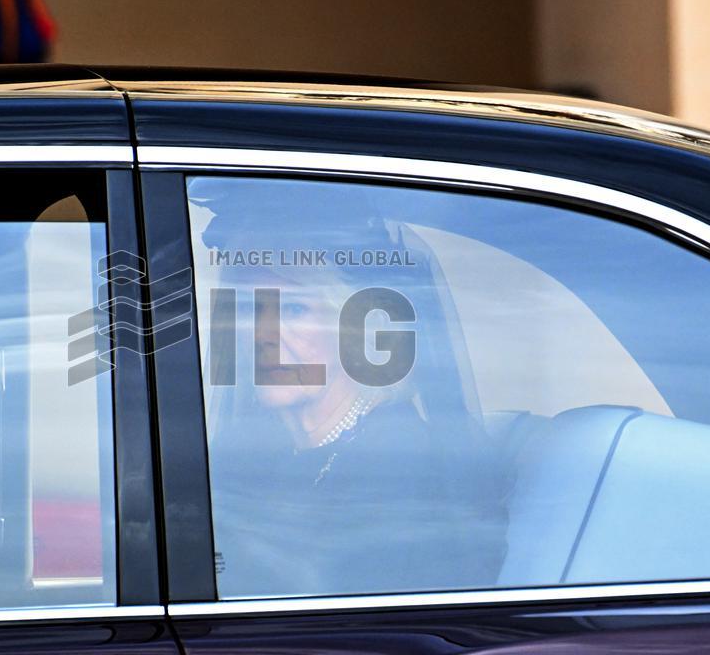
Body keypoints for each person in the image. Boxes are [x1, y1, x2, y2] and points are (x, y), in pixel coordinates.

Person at [192, 179, 508, 597]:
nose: (261, 334)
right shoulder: (257, 451)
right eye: (250, 308)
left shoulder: (401, 463)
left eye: (294, 308)